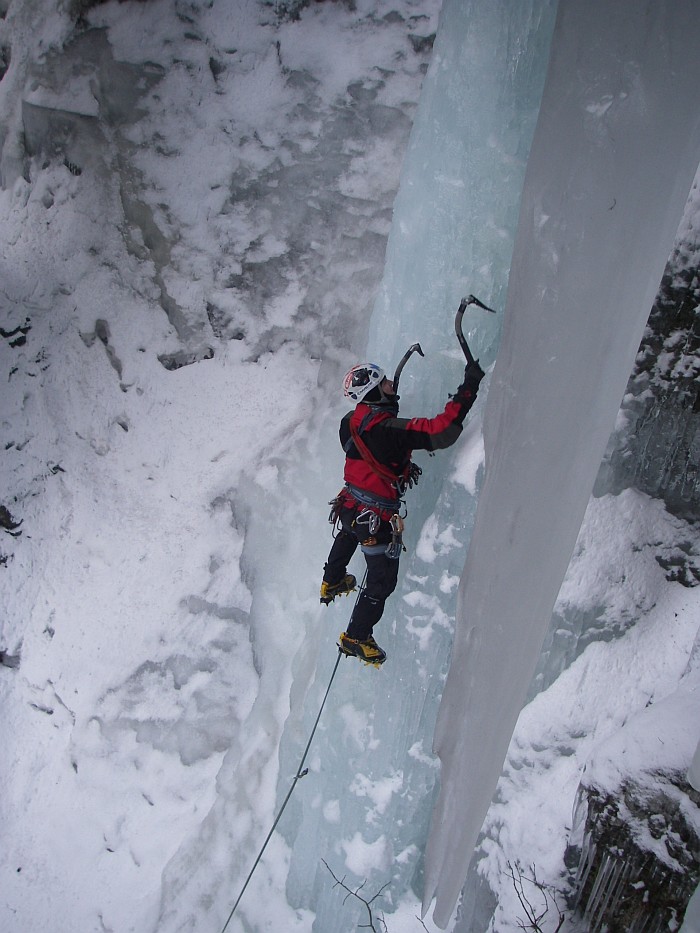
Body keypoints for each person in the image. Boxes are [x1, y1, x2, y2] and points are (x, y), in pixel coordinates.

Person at [320, 357, 485, 665]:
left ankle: (332, 579)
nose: (390, 385)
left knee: (348, 532)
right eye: (384, 383)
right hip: (375, 519)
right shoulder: (390, 430)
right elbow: (442, 431)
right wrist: (469, 386)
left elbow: (356, 446)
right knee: (382, 581)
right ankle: (356, 636)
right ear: (374, 392)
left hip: (350, 506)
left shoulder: (350, 421)